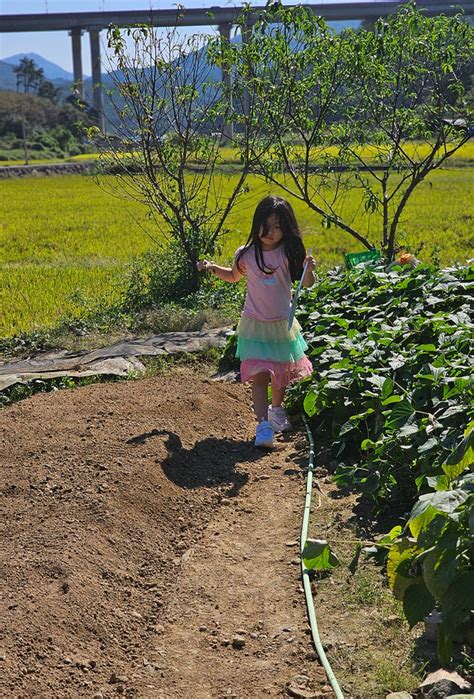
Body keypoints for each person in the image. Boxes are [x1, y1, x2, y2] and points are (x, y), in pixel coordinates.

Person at [197, 195, 315, 448]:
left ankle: (276, 410)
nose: (270, 232)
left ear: (286, 229)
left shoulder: (289, 253)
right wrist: (212, 267)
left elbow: (306, 283)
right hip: (254, 323)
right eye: (266, 224)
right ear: (256, 223)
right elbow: (233, 276)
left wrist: (309, 269)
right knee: (260, 376)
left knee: (280, 374)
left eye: (277, 227)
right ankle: (263, 426)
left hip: (282, 324)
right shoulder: (246, 254)